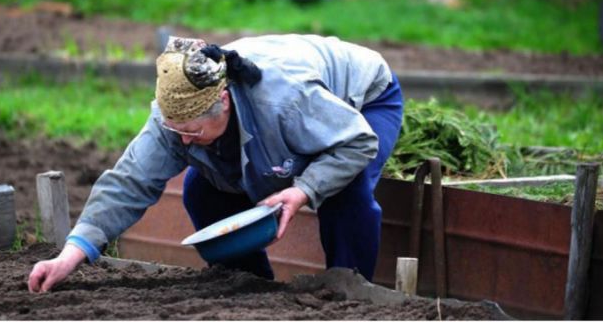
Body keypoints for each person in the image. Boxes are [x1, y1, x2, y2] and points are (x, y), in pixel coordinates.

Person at [28, 34, 403, 293]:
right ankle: (252, 286)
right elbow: (128, 182)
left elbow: (356, 142)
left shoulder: (283, 101)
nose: (184, 141)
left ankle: (348, 294)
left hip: (363, 97)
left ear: (224, 101)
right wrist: (69, 255)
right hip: (290, 108)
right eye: (177, 132)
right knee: (200, 190)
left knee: (343, 190)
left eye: (192, 130)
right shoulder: (173, 122)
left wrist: (304, 190)